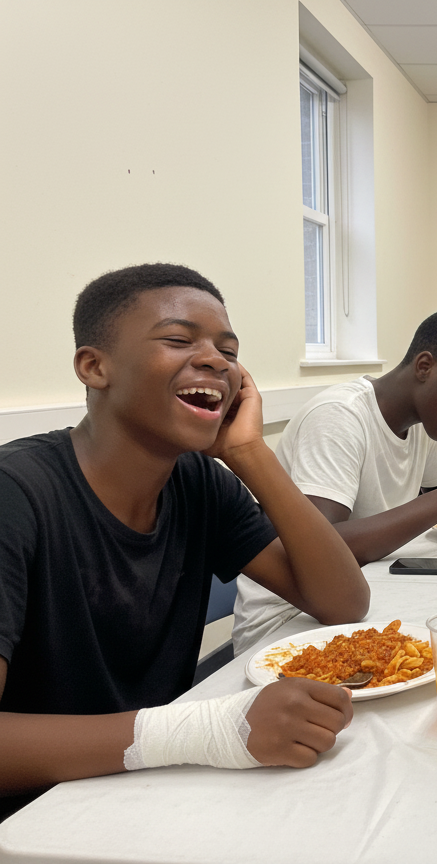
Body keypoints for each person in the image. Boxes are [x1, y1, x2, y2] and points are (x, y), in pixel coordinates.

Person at [0, 264, 371, 821]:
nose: (216, 360)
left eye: (229, 350)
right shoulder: (17, 495)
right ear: (94, 366)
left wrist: (251, 456)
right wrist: (206, 731)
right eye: (178, 339)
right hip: (39, 817)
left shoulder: (197, 481)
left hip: (148, 787)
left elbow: (342, 602)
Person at [234, 308, 437, 653]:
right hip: (290, 620)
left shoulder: (421, 427)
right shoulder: (339, 417)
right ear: (424, 367)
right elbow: (318, 547)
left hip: (365, 593)